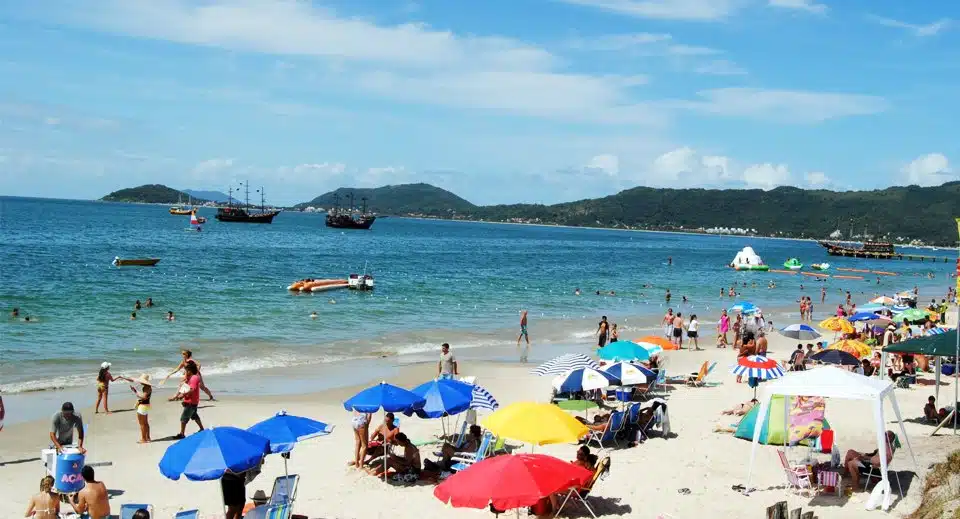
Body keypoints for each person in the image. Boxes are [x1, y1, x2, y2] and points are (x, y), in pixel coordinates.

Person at [171, 362, 204, 439]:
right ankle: (202, 429)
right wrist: (179, 395)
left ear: (190, 370)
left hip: (191, 402)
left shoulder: (194, 378)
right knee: (194, 415)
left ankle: (182, 434)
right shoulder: (191, 377)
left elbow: (192, 389)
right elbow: (185, 387)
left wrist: (182, 395)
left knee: (183, 418)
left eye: (186, 371)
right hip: (192, 401)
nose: (185, 372)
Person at [130, 374, 153, 443]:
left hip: (142, 406)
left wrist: (136, 393)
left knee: (142, 423)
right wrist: (135, 391)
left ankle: (143, 439)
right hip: (146, 405)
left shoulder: (146, 388)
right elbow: (145, 396)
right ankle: (148, 437)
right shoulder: (148, 387)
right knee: (145, 423)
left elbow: (144, 397)